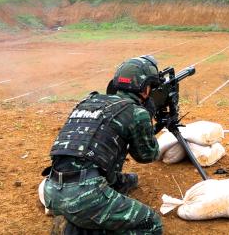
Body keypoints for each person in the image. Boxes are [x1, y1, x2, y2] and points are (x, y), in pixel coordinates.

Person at [43, 56, 164, 235]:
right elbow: (147, 155)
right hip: (84, 195)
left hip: (51, 190)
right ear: (145, 89)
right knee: (151, 224)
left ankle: (75, 216)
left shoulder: (88, 102)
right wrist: (147, 118)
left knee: (131, 180)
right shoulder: (136, 112)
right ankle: (72, 230)